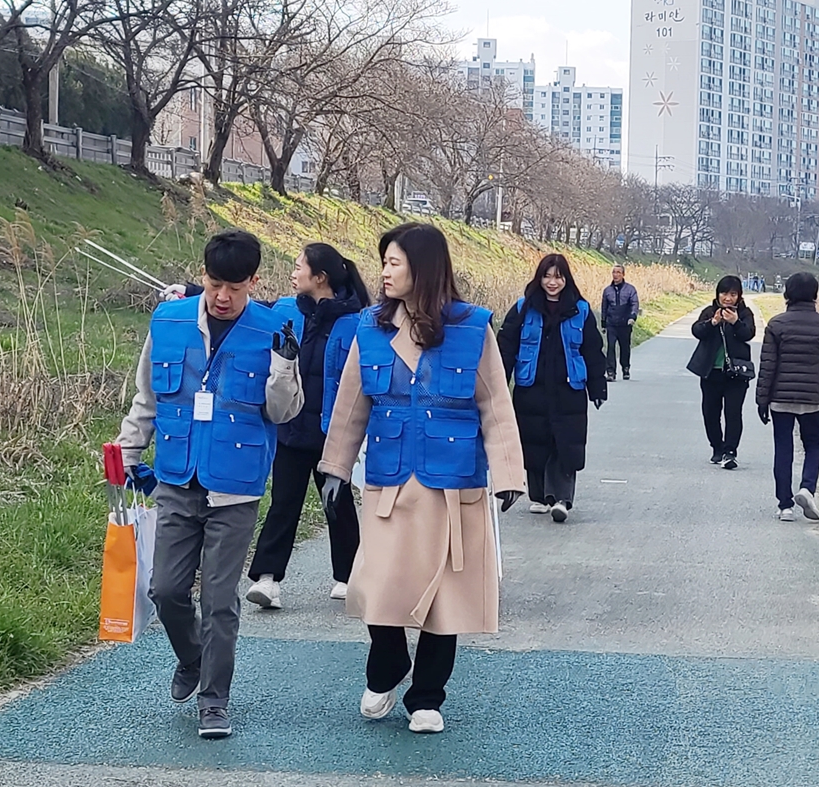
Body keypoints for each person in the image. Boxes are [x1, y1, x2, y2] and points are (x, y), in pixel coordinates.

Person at [317, 222, 525, 734]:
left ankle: (428, 696)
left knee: (445, 596)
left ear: (423, 268)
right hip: (389, 481)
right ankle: (387, 664)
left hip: (454, 485)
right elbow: (350, 406)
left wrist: (508, 473)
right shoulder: (370, 328)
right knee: (377, 583)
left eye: (394, 263)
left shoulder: (472, 328)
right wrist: (335, 468)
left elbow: (495, 405)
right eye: (384, 262)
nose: (384, 272)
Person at [116, 229, 304, 739]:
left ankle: (214, 701)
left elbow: (283, 412)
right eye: (215, 284)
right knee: (166, 590)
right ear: (203, 275)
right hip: (177, 477)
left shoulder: (275, 329)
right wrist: (127, 450)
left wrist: (284, 367)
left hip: (236, 485)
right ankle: (192, 657)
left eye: (235, 288)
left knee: (220, 600)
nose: (223, 297)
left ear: (253, 282)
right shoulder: (169, 320)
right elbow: (147, 398)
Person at [239, 243, 373, 610]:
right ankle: (267, 579)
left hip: (335, 435)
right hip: (290, 429)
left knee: (337, 504)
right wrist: (189, 292)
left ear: (320, 277)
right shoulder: (285, 311)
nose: (293, 272)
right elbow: (246, 309)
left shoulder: (358, 323)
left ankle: (349, 576)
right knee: (283, 502)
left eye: (299, 267)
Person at [496, 254, 607, 523]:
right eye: (547, 276)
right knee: (535, 440)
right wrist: (498, 384)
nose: (552, 282)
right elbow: (505, 347)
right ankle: (539, 496)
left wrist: (597, 387)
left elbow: (592, 350)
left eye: (558, 276)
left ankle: (561, 499)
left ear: (566, 279)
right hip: (531, 387)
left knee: (565, 442)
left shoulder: (580, 310)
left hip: (568, 388)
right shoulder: (524, 307)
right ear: (539, 278)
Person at [755, 272, 819, 523]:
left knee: (784, 448)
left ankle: (785, 506)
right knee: (813, 445)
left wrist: (762, 399)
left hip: (780, 397)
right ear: (815, 295)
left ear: (787, 294)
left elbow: (768, 366)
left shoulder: (776, 324)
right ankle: (807, 488)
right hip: (812, 398)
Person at [687, 275, 756, 470]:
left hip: (736, 374)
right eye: (724, 293)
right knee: (710, 413)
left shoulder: (745, 313)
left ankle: (730, 451)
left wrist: (736, 322)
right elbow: (697, 331)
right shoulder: (710, 311)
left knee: (733, 413)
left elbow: (748, 334)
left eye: (733, 294)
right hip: (711, 372)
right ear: (718, 294)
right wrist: (713, 322)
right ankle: (717, 447)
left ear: (739, 296)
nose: (728, 298)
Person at [600, 264, 640, 381]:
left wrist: (632, 317)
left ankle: (625, 367)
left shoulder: (630, 289)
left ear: (623, 274)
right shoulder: (607, 290)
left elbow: (634, 304)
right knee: (611, 347)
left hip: (625, 323)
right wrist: (603, 323)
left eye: (618, 272)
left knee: (625, 347)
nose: (616, 275)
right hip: (611, 323)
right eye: (614, 272)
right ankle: (611, 372)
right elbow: (604, 307)